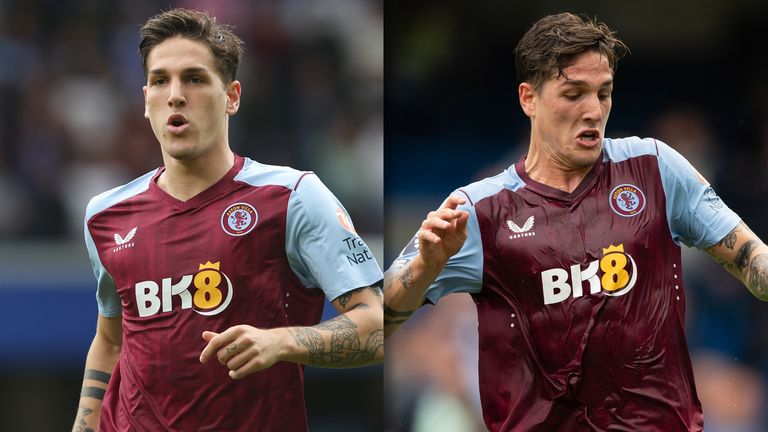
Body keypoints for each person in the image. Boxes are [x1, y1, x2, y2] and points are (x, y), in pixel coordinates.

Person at [384, 12, 768, 432]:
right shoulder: (478, 211)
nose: (592, 111)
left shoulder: (656, 168)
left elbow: (751, 258)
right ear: (528, 98)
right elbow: (378, 317)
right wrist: (425, 267)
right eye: (573, 94)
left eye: (603, 93)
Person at [71, 8, 383, 432]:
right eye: (160, 80)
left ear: (232, 96)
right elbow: (111, 340)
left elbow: (376, 325)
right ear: (146, 99)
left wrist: (282, 341)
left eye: (195, 79)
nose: (175, 95)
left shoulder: (291, 197)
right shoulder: (105, 216)